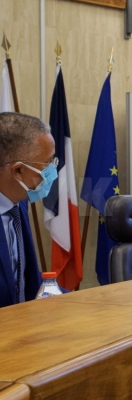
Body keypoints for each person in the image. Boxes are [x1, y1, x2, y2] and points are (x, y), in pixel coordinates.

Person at [0, 113, 53, 308]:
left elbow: (23, 278)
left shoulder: (18, 202)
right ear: (17, 171)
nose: (52, 172)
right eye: (46, 164)